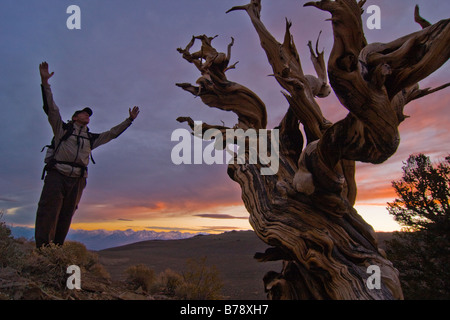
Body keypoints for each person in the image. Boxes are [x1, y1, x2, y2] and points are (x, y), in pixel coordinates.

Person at [35, 61, 140, 248]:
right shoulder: (62, 129)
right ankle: (42, 250)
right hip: (57, 174)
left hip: (77, 179)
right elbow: (51, 109)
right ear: (75, 117)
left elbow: (112, 134)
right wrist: (45, 83)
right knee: (48, 210)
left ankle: (56, 250)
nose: (87, 115)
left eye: (89, 115)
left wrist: (129, 120)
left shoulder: (91, 138)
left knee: (67, 214)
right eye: (83, 113)